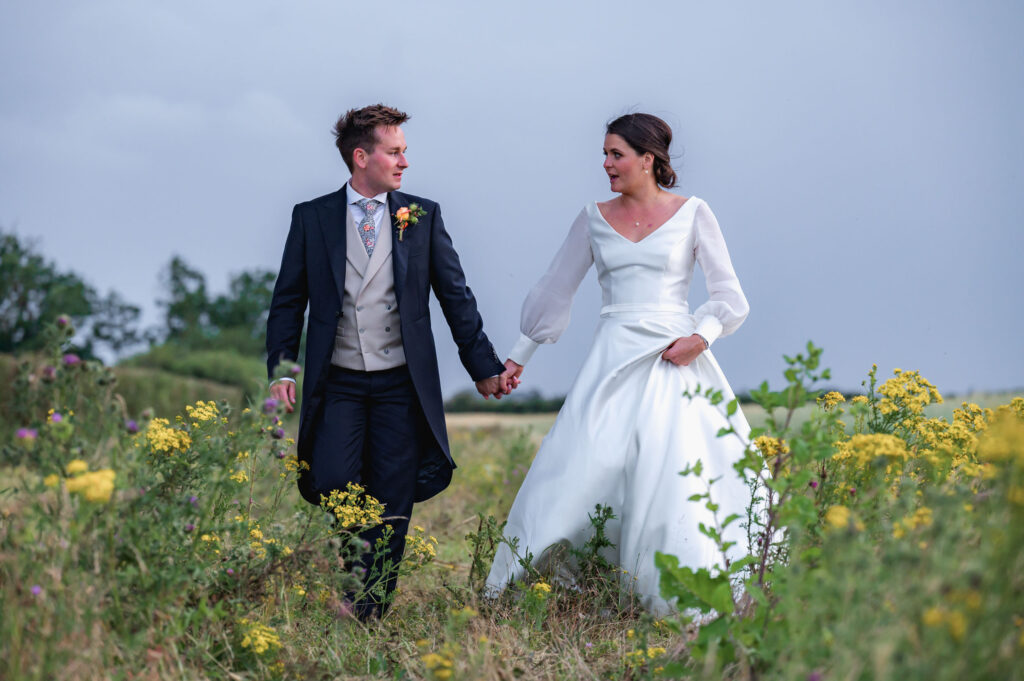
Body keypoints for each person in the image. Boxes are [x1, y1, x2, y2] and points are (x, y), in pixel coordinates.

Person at [487, 113, 753, 615]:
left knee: (673, 472)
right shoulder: (592, 216)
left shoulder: (695, 212)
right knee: (583, 464)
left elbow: (729, 296)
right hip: (612, 355)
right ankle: (563, 582)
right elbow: (555, 287)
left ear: (648, 159)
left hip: (675, 358)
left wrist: (702, 337)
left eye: (616, 155)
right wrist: (518, 357)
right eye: (605, 155)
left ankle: (680, 596)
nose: (607, 165)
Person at [266, 104, 510, 619]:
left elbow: (455, 296)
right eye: (394, 152)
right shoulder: (311, 218)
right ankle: (352, 573)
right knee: (332, 480)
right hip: (338, 384)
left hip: (402, 385)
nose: (404, 162)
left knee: (393, 499)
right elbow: (289, 300)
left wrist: (484, 366)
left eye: (404, 152)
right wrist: (283, 368)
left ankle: (366, 610)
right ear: (361, 157)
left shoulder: (422, 216)